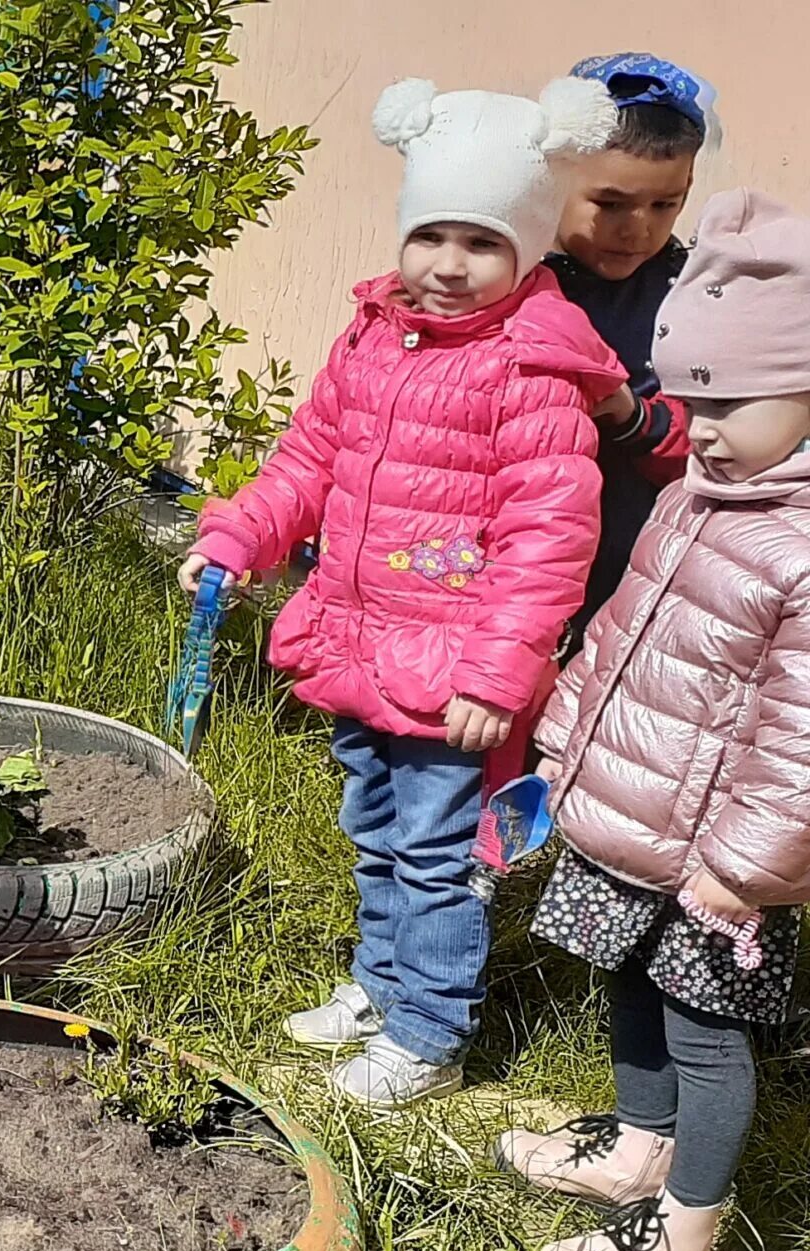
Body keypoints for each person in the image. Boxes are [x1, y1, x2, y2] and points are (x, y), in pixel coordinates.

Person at [183, 78, 624, 1108]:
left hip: (451, 671)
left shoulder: (527, 369)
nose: (448, 264)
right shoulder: (375, 335)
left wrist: (496, 672)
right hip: (361, 645)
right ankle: (380, 987)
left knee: (436, 855)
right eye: (431, 235)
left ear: (524, 249)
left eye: (480, 242)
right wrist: (241, 535)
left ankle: (428, 1031)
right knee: (374, 827)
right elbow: (308, 459)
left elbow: (549, 533)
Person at [497, 192, 810, 1251]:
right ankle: (639, 1143)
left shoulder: (800, 545)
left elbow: (800, 744)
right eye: (691, 398)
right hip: (628, 816)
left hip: (714, 861)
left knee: (706, 1035)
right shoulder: (693, 495)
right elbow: (618, 632)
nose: (705, 425)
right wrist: (565, 742)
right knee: (621, 981)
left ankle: (684, 1232)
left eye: (731, 400)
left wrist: (746, 866)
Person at [549, 52, 717, 648]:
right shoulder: (511, 282)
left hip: (642, 571)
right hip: (515, 568)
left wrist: (635, 421)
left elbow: (722, 440)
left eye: (663, 205)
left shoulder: (697, 291)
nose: (638, 228)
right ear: (553, 176)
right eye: (610, 204)